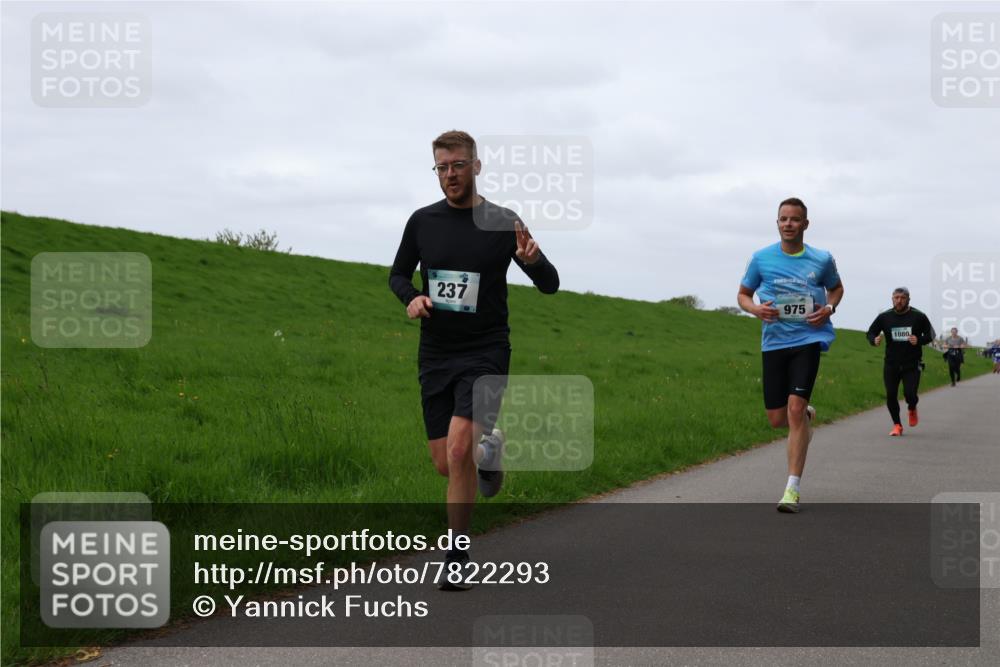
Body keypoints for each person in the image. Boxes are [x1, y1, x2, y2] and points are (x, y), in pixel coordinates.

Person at [389, 130, 559, 589]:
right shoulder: (422, 222)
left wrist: (536, 260)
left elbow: (550, 284)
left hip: (486, 350)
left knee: (459, 448)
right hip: (436, 353)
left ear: (476, 166)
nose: (450, 175)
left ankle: (457, 554)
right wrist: (412, 298)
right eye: (442, 168)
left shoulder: (503, 221)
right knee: (447, 463)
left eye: (458, 165)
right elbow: (398, 273)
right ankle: (491, 449)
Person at [738, 197, 844, 513]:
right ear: (777, 222)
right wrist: (755, 309)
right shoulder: (761, 258)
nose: (788, 224)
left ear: (805, 224)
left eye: (794, 219)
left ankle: (791, 489)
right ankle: (806, 415)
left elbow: (836, 288)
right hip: (774, 343)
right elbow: (743, 295)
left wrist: (829, 307)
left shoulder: (822, 259)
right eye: (783, 219)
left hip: (808, 338)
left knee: (794, 409)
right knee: (776, 419)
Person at [866, 288, 935, 436]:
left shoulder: (919, 316)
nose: (899, 300)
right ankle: (897, 425)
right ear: (892, 299)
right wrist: (874, 340)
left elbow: (931, 334)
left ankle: (912, 407)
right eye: (896, 297)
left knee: (910, 393)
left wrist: (919, 340)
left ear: (908, 299)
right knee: (891, 394)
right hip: (891, 363)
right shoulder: (885, 317)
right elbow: (871, 332)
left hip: (912, 363)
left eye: (902, 298)